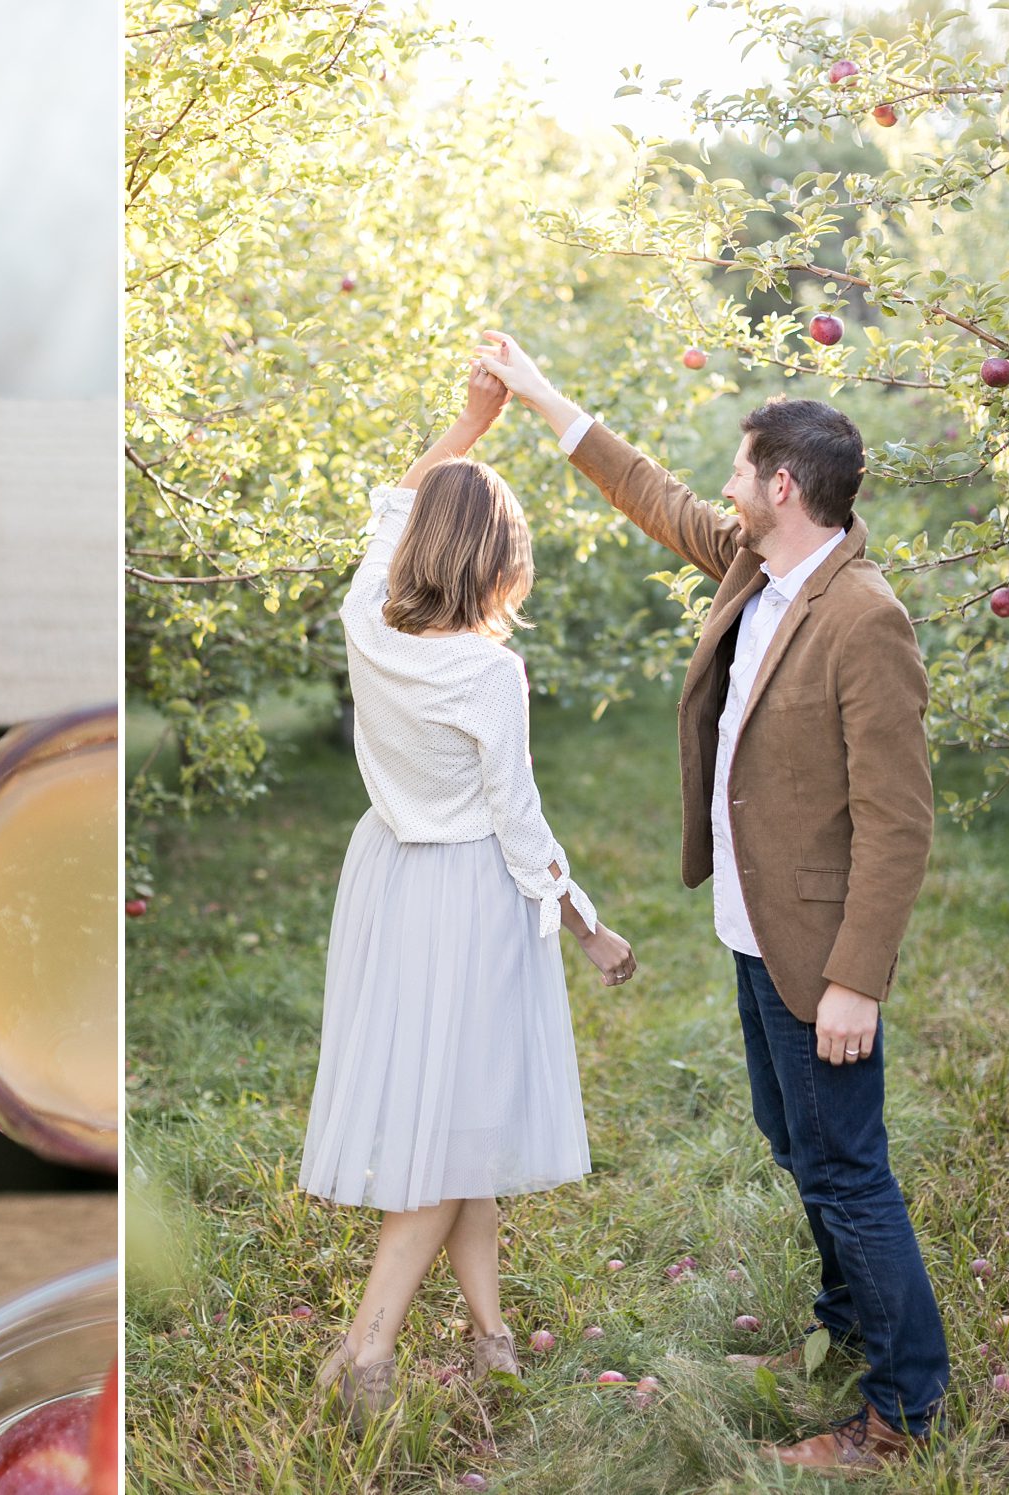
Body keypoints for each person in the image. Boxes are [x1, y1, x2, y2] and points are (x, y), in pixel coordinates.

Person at [477, 331, 948, 1471]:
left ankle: (900, 1412)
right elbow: (646, 490)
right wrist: (540, 393)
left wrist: (853, 979)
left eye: (739, 472)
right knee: (798, 1146)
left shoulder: (859, 615)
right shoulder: (756, 570)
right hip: (753, 929)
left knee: (846, 1168)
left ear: (780, 486)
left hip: (814, 952)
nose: (723, 488)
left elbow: (897, 819)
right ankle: (841, 1334)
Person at [299, 361, 636, 1432]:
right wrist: (585, 923)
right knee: (451, 1132)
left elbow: (400, 498)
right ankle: (367, 1346)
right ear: (498, 555)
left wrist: (469, 424)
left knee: (461, 1116)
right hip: (469, 897)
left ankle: (490, 1340)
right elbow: (517, 820)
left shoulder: (367, 619)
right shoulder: (488, 672)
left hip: (389, 880)